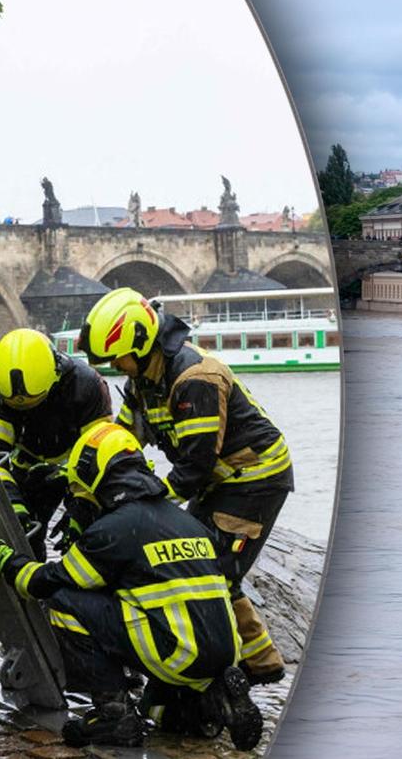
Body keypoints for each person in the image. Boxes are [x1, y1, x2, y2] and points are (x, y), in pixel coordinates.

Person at [0, 421, 262, 750]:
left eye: (81, 492)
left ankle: (115, 714)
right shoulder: (186, 522)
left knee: (64, 602)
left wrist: (6, 562)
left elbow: (51, 582)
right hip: (220, 654)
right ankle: (216, 701)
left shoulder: (117, 528)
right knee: (156, 709)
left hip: (176, 653)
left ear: (96, 477)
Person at [77, 288, 291, 685]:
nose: (116, 367)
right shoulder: (146, 378)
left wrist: (139, 503)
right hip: (221, 480)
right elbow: (122, 436)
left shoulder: (195, 380)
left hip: (254, 479)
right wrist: (88, 478)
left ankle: (247, 665)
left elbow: (195, 465)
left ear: (139, 345)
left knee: (215, 570)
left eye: (117, 358)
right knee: (205, 563)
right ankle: (261, 660)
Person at [0, 328, 112, 559]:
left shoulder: (87, 385)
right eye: (20, 408)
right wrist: (13, 504)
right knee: (23, 540)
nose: (29, 411)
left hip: (78, 472)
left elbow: (100, 456)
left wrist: (82, 507)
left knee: (93, 535)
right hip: (28, 471)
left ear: (54, 376)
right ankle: (29, 585)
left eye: (35, 403)